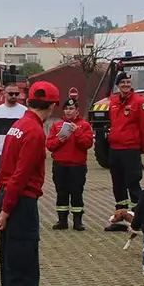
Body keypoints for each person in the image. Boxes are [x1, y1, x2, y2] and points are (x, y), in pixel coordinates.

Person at [0, 81, 59, 286]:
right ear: (52, 106)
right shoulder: (34, 133)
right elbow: (20, 175)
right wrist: (7, 209)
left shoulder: (17, 127)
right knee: (24, 267)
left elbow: (4, 169)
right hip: (20, 203)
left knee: (10, 264)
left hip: (7, 197)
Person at [104, 72, 144, 232]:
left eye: (128, 81)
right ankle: (120, 219)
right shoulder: (113, 102)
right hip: (115, 149)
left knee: (133, 184)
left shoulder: (140, 103)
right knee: (117, 185)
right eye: (122, 82)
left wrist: (142, 147)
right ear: (118, 85)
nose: (126, 84)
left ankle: (138, 219)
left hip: (131, 149)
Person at [44, 97, 94, 231]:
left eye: (71, 109)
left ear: (77, 111)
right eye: (66, 109)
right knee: (61, 193)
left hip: (77, 166)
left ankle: (78, 221)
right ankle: (62, 220)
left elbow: (87, 144)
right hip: (60, 166)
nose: (68, 111)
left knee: (77, 193)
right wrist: (59, 140)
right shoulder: (57, 126)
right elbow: (49, 145)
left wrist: (77, 132)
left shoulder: (84, 125)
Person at [0, 83, 27, 178]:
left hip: (18, 155)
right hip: (1, 154)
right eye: (11, 93)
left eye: (16, 94)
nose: (14, 96)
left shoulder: (24, 111)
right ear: (4, 94)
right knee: (1, 183)